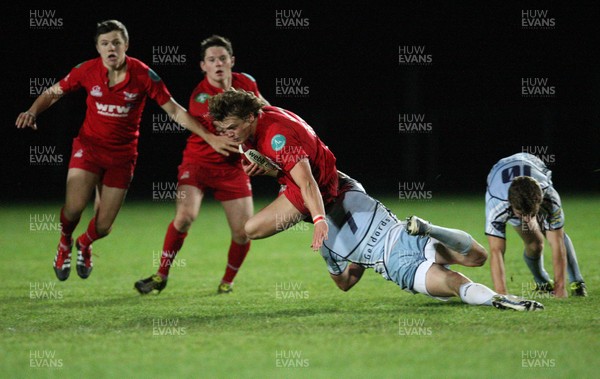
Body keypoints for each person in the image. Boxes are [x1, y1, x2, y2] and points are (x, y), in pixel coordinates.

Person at [15, 20, 237, 282]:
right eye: (105, 43)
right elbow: (54, 92)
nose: (111, 48)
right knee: (73, 208)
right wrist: (32, 110)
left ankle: (84, 244)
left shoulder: (143, 74)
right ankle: (64, 242)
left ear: (126, 45)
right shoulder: (86, 70)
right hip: (88, 149)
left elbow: (175, 110)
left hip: (122, 157)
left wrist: (210, 137)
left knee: (104, 226)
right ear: (97, 48)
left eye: (116, 43)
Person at [135, 35, 269, 295]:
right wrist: (212, 137)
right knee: (185, 217)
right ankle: (161, 275)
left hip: (232, 170)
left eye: (222, 58)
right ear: (203, 66)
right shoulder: (201, 98)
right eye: (211, 60)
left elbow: (265, 110)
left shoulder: (247, 83)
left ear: (231, 61)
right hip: (198, 164)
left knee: (244, 232)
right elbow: (225, 130)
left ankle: (227, 282)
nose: (218, 64)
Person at [321, 174, 544, 311]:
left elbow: (345, 283)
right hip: (407, 234)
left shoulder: (326, 241)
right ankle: (430, 228)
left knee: (455, 282)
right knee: (479, 256)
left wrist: (360, 254)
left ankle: (494, 298)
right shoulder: (353, 190)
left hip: (396, 264)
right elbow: (335, 174)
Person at [207, 89, 338, 252]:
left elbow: (307, 181)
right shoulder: (264, 114)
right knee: (344, 279)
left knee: (251, 229)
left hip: (319, 183)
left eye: (233, 127)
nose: (228, 135)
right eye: (223, 130)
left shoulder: (277, 137)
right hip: (315, 170)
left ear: (249, 117)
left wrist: (319, 219)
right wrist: (267, 169)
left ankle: (324, 210)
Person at [485, 152, 587, 298]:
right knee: (535, 244)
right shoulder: (497, 205)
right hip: (500, 171)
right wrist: (502, 295)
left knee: (556, 234)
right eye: (521, 215)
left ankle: (577, 282)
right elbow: (496, 251)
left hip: (532, 163)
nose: (527, 220)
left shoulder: (550, 197)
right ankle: (542, 282)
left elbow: (557, 242)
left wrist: (560, 288)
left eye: (531, 215)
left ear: (540, 201)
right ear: (511, 205)